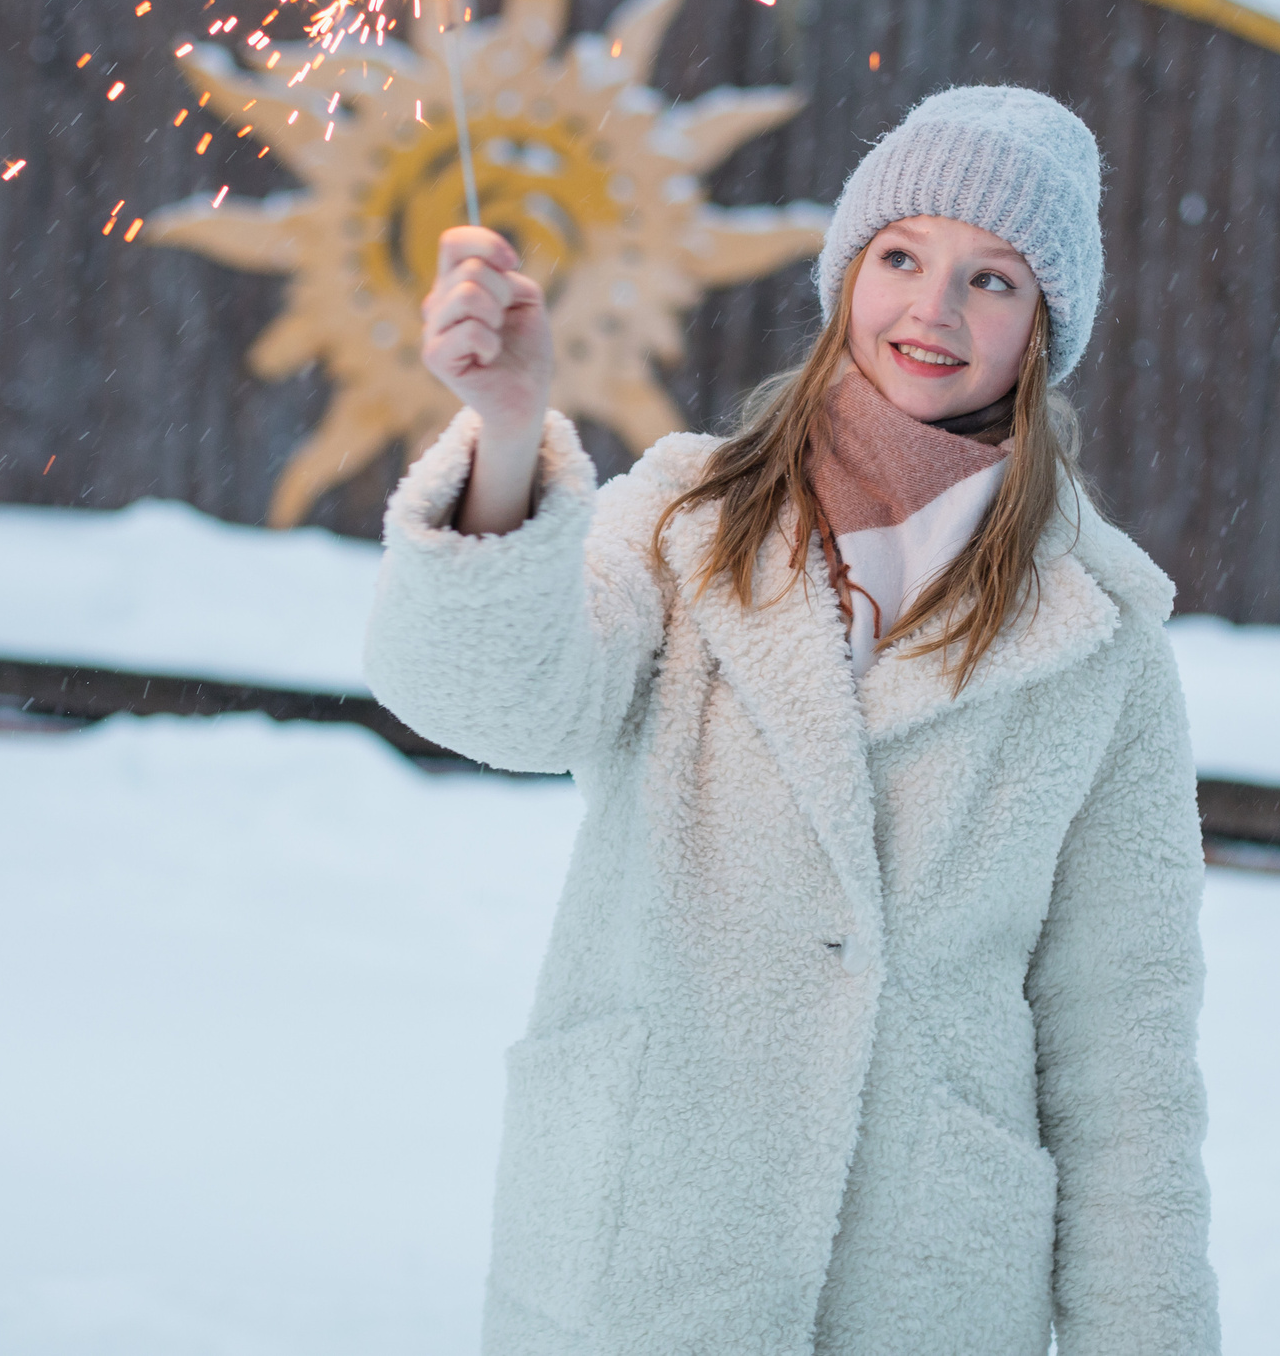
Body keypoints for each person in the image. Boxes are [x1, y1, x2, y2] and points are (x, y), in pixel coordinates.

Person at [365, 87, 1217, 1356]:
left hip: (925, 1281)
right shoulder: (684, 519)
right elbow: (492, 703)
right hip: (645, 1238)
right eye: (901, 257)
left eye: (992, 279)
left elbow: (1125, 1061)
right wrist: (502, 429)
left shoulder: (1098, 643)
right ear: (846, 275)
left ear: (1045, 327)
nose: (932, 309)